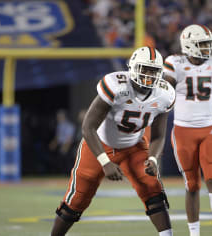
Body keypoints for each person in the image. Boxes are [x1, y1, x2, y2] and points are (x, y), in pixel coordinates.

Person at [50, 46, 175, 236]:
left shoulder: (165, 94)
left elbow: (158, 135)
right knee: (76, 201)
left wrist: (154, 158)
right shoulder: (116, 85)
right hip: (99, 144)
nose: (149, 75)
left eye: (154, 71)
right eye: (145, 69)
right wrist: (105, 162)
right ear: (132, 68)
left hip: (134, 146)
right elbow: (88, 127)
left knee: (153, 190)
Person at [163, 24, 212, 236]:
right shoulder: (174, 64)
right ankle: (195, 234)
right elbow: (164, 98)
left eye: (209, 44)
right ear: (189, 45)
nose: (208, 49)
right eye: (203, 44)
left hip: (208, 130)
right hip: (183, 132)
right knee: (192, 184)